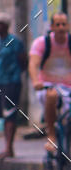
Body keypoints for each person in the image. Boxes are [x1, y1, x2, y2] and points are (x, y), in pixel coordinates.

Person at [28, 11, 71, 152]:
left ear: (68, 26)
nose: (60, 27)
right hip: (47, 86)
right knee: (51, 96)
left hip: (68, 88)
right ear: (52, 27)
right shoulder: (42, 43)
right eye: (57, 24)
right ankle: (51, 136)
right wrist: (35, 82)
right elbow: (33, 64)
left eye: (63, 24)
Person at [0, 12, 27, 159]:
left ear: (5, 26)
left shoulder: (15, 42)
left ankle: (8, 148)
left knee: (10, 114)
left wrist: (15, 73)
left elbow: (23, 61)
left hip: (12, 82)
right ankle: (7, 147)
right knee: (3, 116)